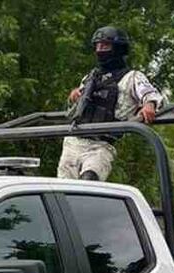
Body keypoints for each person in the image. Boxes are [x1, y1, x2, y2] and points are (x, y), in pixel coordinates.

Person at [57, 26, 165, 181]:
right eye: (98, 46)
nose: (100, 50)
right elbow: (73, 108)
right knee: (64, 191)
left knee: (89, 181)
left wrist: (149, 105)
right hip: (73, 141)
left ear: (118, 49)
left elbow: (151, 94)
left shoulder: (132, 77)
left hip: (100, 146)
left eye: (105, 46)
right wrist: (73, 96)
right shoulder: (91, 77)